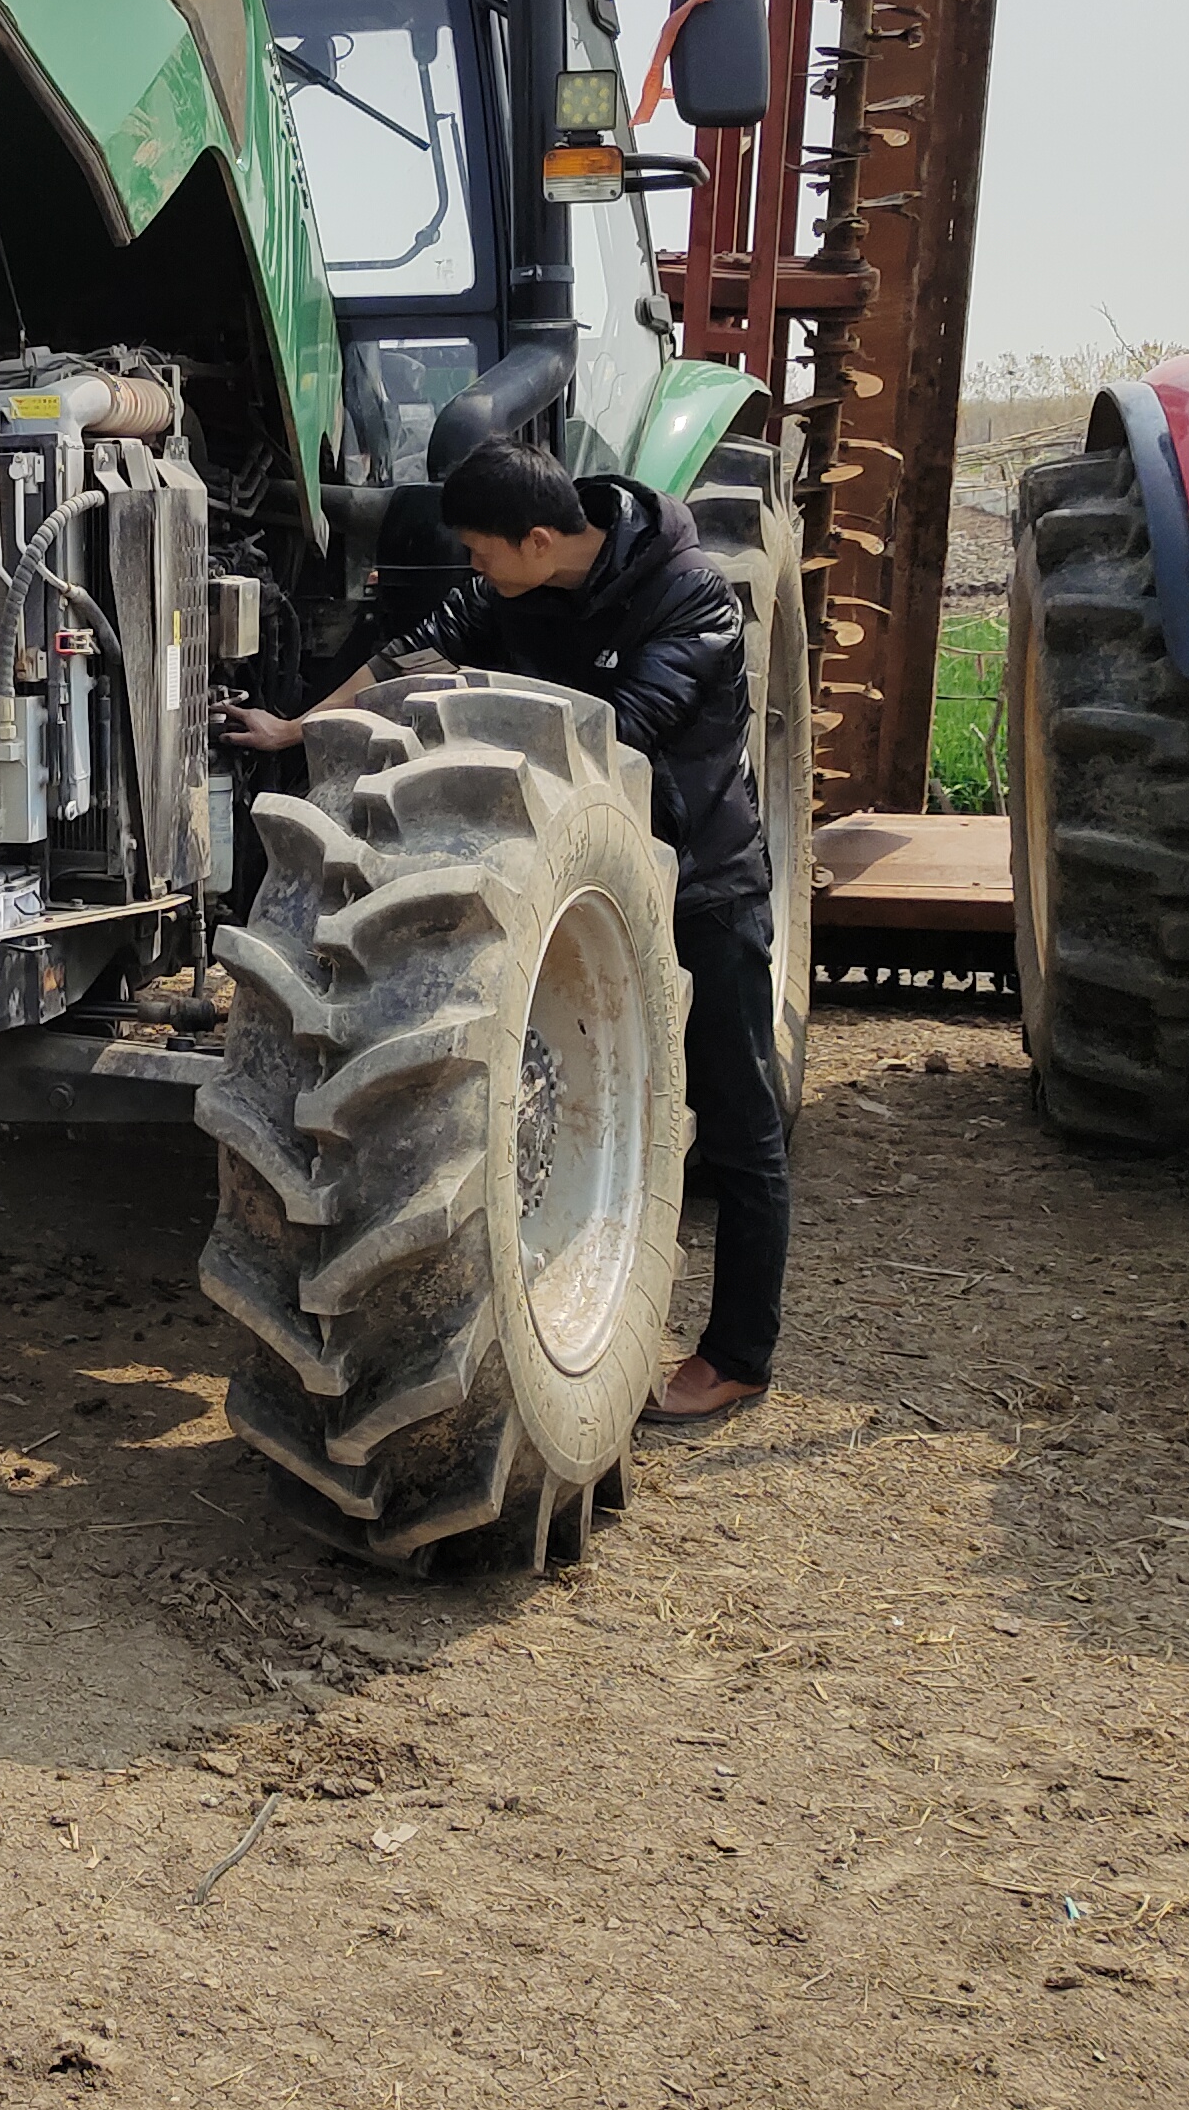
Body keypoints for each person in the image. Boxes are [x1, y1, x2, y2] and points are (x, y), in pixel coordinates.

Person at [223, 434, 784, 1424]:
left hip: (699, 883)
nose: (474, 572)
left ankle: (739, 1354)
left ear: (537, 540)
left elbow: (619, 734)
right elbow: (412, 649)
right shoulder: (513, 587)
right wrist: (300, 729)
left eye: (482, 552)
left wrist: (463, 722)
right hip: (571, 881)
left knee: (738, 1129)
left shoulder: (688, 597)